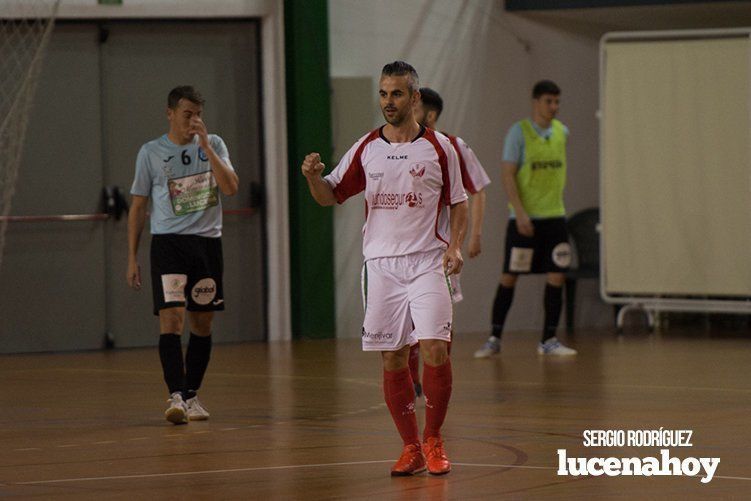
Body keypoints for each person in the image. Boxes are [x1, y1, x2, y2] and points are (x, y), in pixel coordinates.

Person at [301, 61, 468, 476]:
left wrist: (457, 247)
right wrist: (312, 177)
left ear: (415, 97)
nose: (388, 102)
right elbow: (329, 196)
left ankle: (433, 438)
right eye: (382, 93)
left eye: (396, 94)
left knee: (434, 349)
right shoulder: (366, 148)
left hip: (429, 261)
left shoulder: (440, 147)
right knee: (393, 357)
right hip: (381, 268)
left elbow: (459, 202)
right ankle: (410, 446)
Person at [127, 85, 239, 424]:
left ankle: (192, 395)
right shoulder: (150, 152)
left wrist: (206, 146)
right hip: (168, 244)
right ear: (171, 113)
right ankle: (175, 395)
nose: (194, 120)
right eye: (188, 113)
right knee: (171, 319)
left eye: (199, 114)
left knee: (201, 323)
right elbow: (138, 206)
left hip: (205, 245)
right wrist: (131, 256)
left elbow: (231, 187)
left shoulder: (214, 144)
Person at [474, 80, 577, 358]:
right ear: (536, 102)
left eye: (557, 102)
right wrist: (519, 212)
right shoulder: (518, 133)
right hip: (524, 219)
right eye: (548, 101)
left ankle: (549, 339)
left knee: (557, 276)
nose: (553, 107)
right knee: (510, 276)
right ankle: (494, 338)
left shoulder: (562, 132)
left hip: (555, 217)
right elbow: (507, 174)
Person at [410, 87, 490, 393]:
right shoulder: (394, 145)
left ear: (429, 115)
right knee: (407, 322)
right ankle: (412, 380)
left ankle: (437, 376)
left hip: (440, 251)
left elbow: (478, 189)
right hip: (403, 254)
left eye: (415, 108)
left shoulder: (453, 147)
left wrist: (474, 234)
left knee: (439, 318)